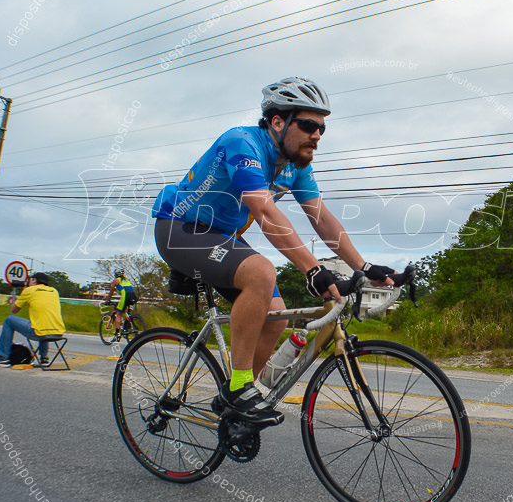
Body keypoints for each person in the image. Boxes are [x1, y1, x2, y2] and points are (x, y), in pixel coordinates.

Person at [151, 77, 395, 426]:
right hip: (180, 229)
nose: (317, 135)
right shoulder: (242, 143)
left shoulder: (296, 166)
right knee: (261, 271)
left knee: (276, 315)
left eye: (322, 128)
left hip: (222, 234)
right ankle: (238, 387)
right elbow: (264, 212)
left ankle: (235, 400)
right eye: (308, 125)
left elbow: (322, 218)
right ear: (277, 122)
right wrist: (313, 270)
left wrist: (364, 266)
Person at [0, 272, 65, 367]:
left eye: (30, 280)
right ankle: (44, 358)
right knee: (43, 324)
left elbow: (14, 310)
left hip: (39, 333)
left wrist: (24, 291)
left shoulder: (30, 290)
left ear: (34, 280)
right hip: (58, 332)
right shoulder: (54, 291)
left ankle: (3, 358)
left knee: (9, 320)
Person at [104, 268, 137, 335]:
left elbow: (111, 292)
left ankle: (117, 333)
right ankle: (128, 325)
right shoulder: (127, 280)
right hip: (134, 295)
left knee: (118, 314)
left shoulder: (116, 281)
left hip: (126, 296)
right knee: (125, 311)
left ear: (116, 274)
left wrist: (107, 300)